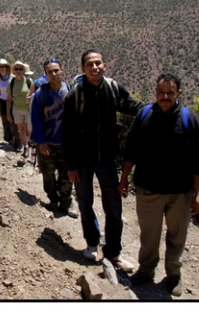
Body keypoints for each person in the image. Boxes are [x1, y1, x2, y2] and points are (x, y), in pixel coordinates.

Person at [119, 72, 199, 297]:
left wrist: (198, 193)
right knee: (149, 235)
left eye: (170, 92)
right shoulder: (145, 115)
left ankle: (173, 275)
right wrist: (124, 177)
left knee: (177, 236)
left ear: (179, 93)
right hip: (148, 188)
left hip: (181, 192)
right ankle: (146, 271)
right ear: (155, 92)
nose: (165, 96)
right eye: (161, 92)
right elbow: (131, 148)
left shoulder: (189, 119)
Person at [61, 48, 142, 271]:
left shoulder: (113, 89)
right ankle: (92, 243)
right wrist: (71, 165)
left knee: (114, 207)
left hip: (107, 159)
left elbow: (131, 106)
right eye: (90, 65)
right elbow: (66, 133)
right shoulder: (74, 95)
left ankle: (114, 252)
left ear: (104, 65)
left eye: (98, 63)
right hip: (82, 160)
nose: (95, 68)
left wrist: (153, 111)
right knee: (85, 203)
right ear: (83, 69)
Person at [30, 59, 77, 218]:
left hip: (66, 144)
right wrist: (41, 142)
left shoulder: (70, 91)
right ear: (46, 74)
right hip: (47, 143)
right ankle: (53, 199)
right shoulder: (40, 94)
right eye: (50, 72)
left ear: (62, 69)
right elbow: (35, 119)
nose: (54, 74)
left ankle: (66, 202)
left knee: (66, 175)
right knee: (48, 175)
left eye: (56, 70)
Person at [7, 61, 35, 158]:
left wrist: (29, 98)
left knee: (29, 130)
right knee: (22, 130)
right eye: (16, 69)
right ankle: (26, 147)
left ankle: (32, 149)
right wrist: (8, 113)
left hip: (28, 109)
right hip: (17, 109)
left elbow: (34, 95)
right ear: (13, 71)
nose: (18, 71)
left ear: (24, 71)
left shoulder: (29, 81)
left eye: (20, 69)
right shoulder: (12, 83)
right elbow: (9, 99)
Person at [0, 59, 21, 151]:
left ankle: (18, 141)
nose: (1, 68)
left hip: (13, 102)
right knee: (5, 122)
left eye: (3, 66)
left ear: (7, 67)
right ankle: (9, 140)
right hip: (3, 101)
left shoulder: (12, 78)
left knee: (14, 122)